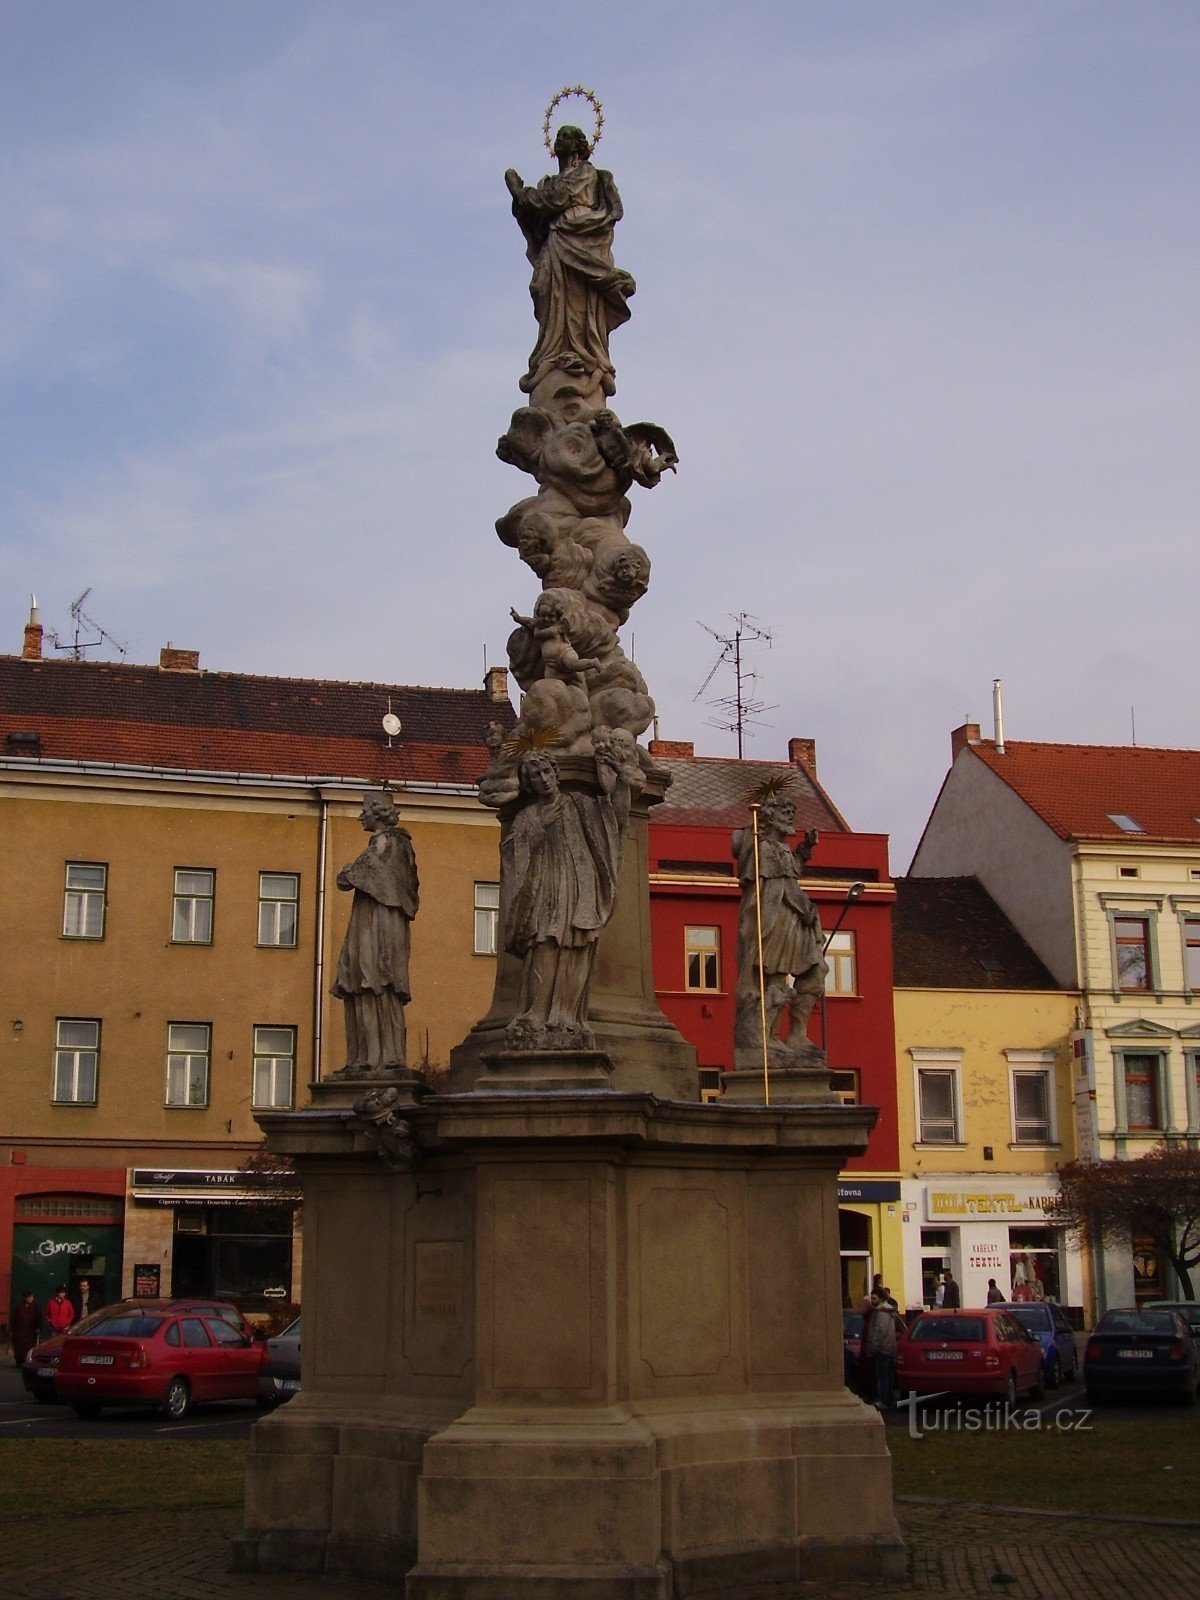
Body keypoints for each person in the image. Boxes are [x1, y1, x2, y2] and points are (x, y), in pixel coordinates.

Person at [504, 738, 631, 1049]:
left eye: (547, 771)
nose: (544, 779)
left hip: (577, 885)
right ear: (529, 783)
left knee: (574, 948)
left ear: (555, 772)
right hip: (543, 887)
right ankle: (536, 1014)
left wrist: (618, 778)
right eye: (536, 776)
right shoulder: (527, 816)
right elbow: (512, 854)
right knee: (543, 944)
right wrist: (537, 831)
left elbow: (615, 818)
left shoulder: (579, 804)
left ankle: (566, 1017)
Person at [505, 124, 636, 401]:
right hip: (556, 240)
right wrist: (523, 203)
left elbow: (557, 199)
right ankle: (552, 353)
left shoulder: (584, 173)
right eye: (558, 136)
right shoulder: (552, 181)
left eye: (565, 136)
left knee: (580, 300)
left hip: (581, 238)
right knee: (546, 291)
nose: (558, 140)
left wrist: (522, 193)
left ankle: (585, 355)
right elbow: (539, 213)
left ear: (578, 145)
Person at [731, 801, 826, 1063]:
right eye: (786, 813)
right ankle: (768, 1038)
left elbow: (791, 871)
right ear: (770, 818)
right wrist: (804, 906)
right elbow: (779, 885)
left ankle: (796, 1035)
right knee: (774, 978)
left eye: (792, 813)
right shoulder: (763, 848)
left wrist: (805, 849)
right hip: (774, 918)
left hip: (794, 918)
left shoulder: (781, 848)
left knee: (816, 971)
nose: (791, 818)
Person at [331, 790, 419, 1072]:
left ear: (378, 812)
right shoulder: (384, 845)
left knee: (374, 979)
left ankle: (378, 1057)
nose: (360, 815)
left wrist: (352, 872)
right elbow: (348, 877)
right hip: (369, 919)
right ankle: (366, 1056)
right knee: (363, 981)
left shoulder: (388, 843)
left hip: (378, 923)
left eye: (364, 810)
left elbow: (349, 877)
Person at [865, 1290, 902, 1409]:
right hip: (888, 1348)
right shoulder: (885, 1311)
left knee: (883, 1377)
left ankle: (884, 1401)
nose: (872, 1301)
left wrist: (873, 1348)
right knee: (888, 1376)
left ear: (881, 1299)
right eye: (871, 1298)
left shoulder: (881, 1313)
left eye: (874, 1298)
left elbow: (879, 1332)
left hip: (882, 1349)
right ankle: (888, 1400)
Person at [11, 1290, 41, 1365]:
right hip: (20, 1330)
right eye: (29, 1297)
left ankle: (27, 1360)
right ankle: (19, 1360)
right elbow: (14, 1318)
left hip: (31, 1331)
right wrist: (13, 1328)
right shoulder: (19, 1307)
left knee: (29, 1346)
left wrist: (38, 1327)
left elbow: (39, 1318)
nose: (31, 1298)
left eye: (31, 1297)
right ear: (25, 1298)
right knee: (20, 1346)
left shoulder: (35, 1307)